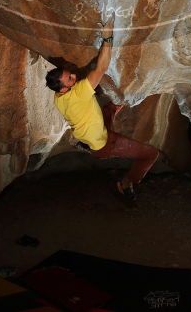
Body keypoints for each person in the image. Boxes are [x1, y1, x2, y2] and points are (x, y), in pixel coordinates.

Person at [45, 16, 159, 205]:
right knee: (150, 154)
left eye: (70, 74)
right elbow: (102, 67)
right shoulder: (79, 93)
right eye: (70, 79)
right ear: (64, 88)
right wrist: (107, 38)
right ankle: (126, 183)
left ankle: (92, 135)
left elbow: (78, 90)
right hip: (104, 145)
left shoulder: (59, 97)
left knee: (110, 108)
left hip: (91, 136)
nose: (74, 76)